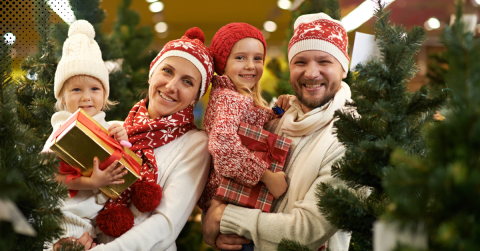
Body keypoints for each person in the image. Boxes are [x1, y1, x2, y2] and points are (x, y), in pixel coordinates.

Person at [53, 27, 214, 251]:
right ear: (152, 73)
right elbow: (86, 200)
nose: (171, 86)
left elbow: (165, 225)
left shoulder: (196, 145)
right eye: (167, 71)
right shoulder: (116, 129)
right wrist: (69, 241)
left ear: (197, 95)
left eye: (187, 82)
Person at [202, 13, 353, 251]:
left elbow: (307, 231)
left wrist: (224, 217)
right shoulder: (279, 120)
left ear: (344, 68)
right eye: (301, 62)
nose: (311, 73)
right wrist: (217, 229)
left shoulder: (349, 137)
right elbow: (226, 158)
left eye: (324, 61)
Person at [197, 23, 290, 251]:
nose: (250, 66)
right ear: (223, 62)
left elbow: (248, 130)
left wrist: (277, 112)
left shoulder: (228, 96)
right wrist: (267, 176)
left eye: (257, 58)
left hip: (230, 206)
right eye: (240, 57)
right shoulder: (230, 99)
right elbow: (224, 147)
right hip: (232, 204)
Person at [42, 20, 130, 250]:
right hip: (64, 218)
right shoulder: (61, 130)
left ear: (104, 93)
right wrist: (91, 182)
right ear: (62, 97)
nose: (86, 97)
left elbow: (122, 160)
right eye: (76, 89)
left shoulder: (107, 125)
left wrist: (122, 137)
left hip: (94, 222)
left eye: (94, 89)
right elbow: (51, 177)